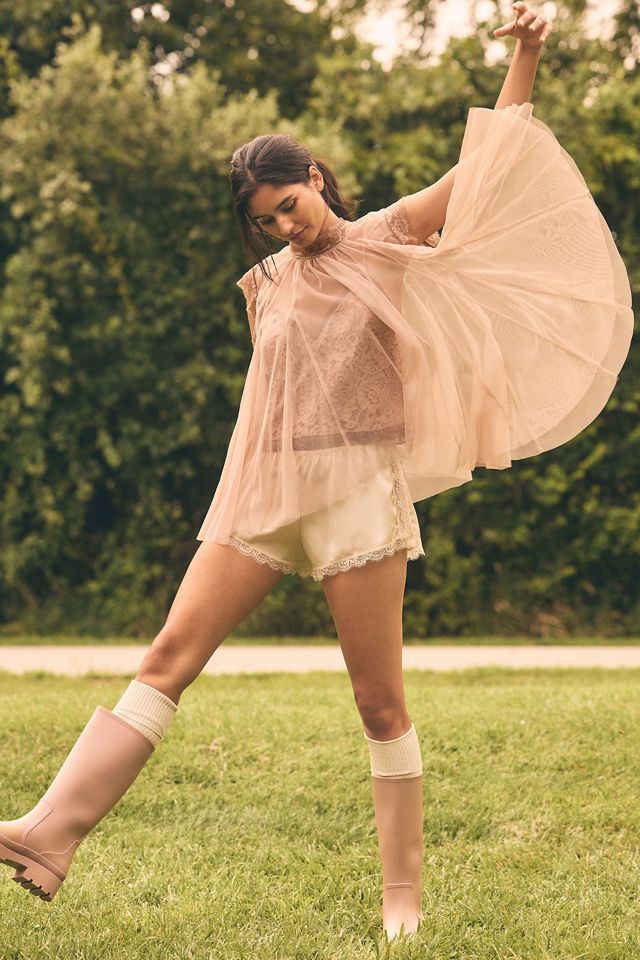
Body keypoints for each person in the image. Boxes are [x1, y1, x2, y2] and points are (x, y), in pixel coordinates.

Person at [0, 2, 634, 945]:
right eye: (265, 221)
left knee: (378, 702)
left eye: (289, 206)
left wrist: (529, 56)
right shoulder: (265, 285)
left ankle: (402, 901)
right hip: (262, 493)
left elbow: (490, 166)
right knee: (167, 658)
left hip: (355, 497)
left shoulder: (383, 236)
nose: (283, 228)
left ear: (316, 178)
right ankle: (49, 834)